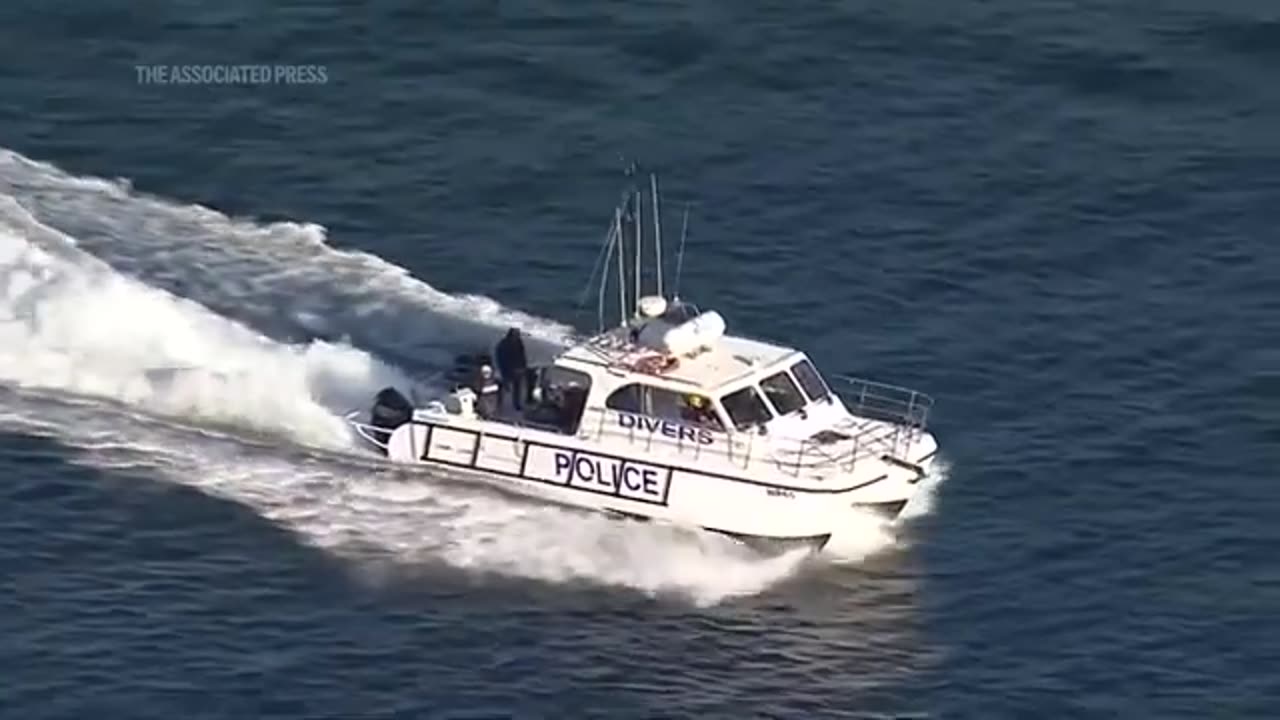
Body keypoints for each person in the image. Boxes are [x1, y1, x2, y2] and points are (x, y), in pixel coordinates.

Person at [494, 327, 528, 411]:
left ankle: (516, 404)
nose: (517, 336)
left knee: (517, 387)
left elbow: (522, 356)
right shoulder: (504, 344)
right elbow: (501, 357)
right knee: (502, 387)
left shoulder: (519, 343)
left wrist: (523, 367)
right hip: (506, 368)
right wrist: (503, 369)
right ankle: (499, 404)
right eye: (516, 334)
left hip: (517, 369)